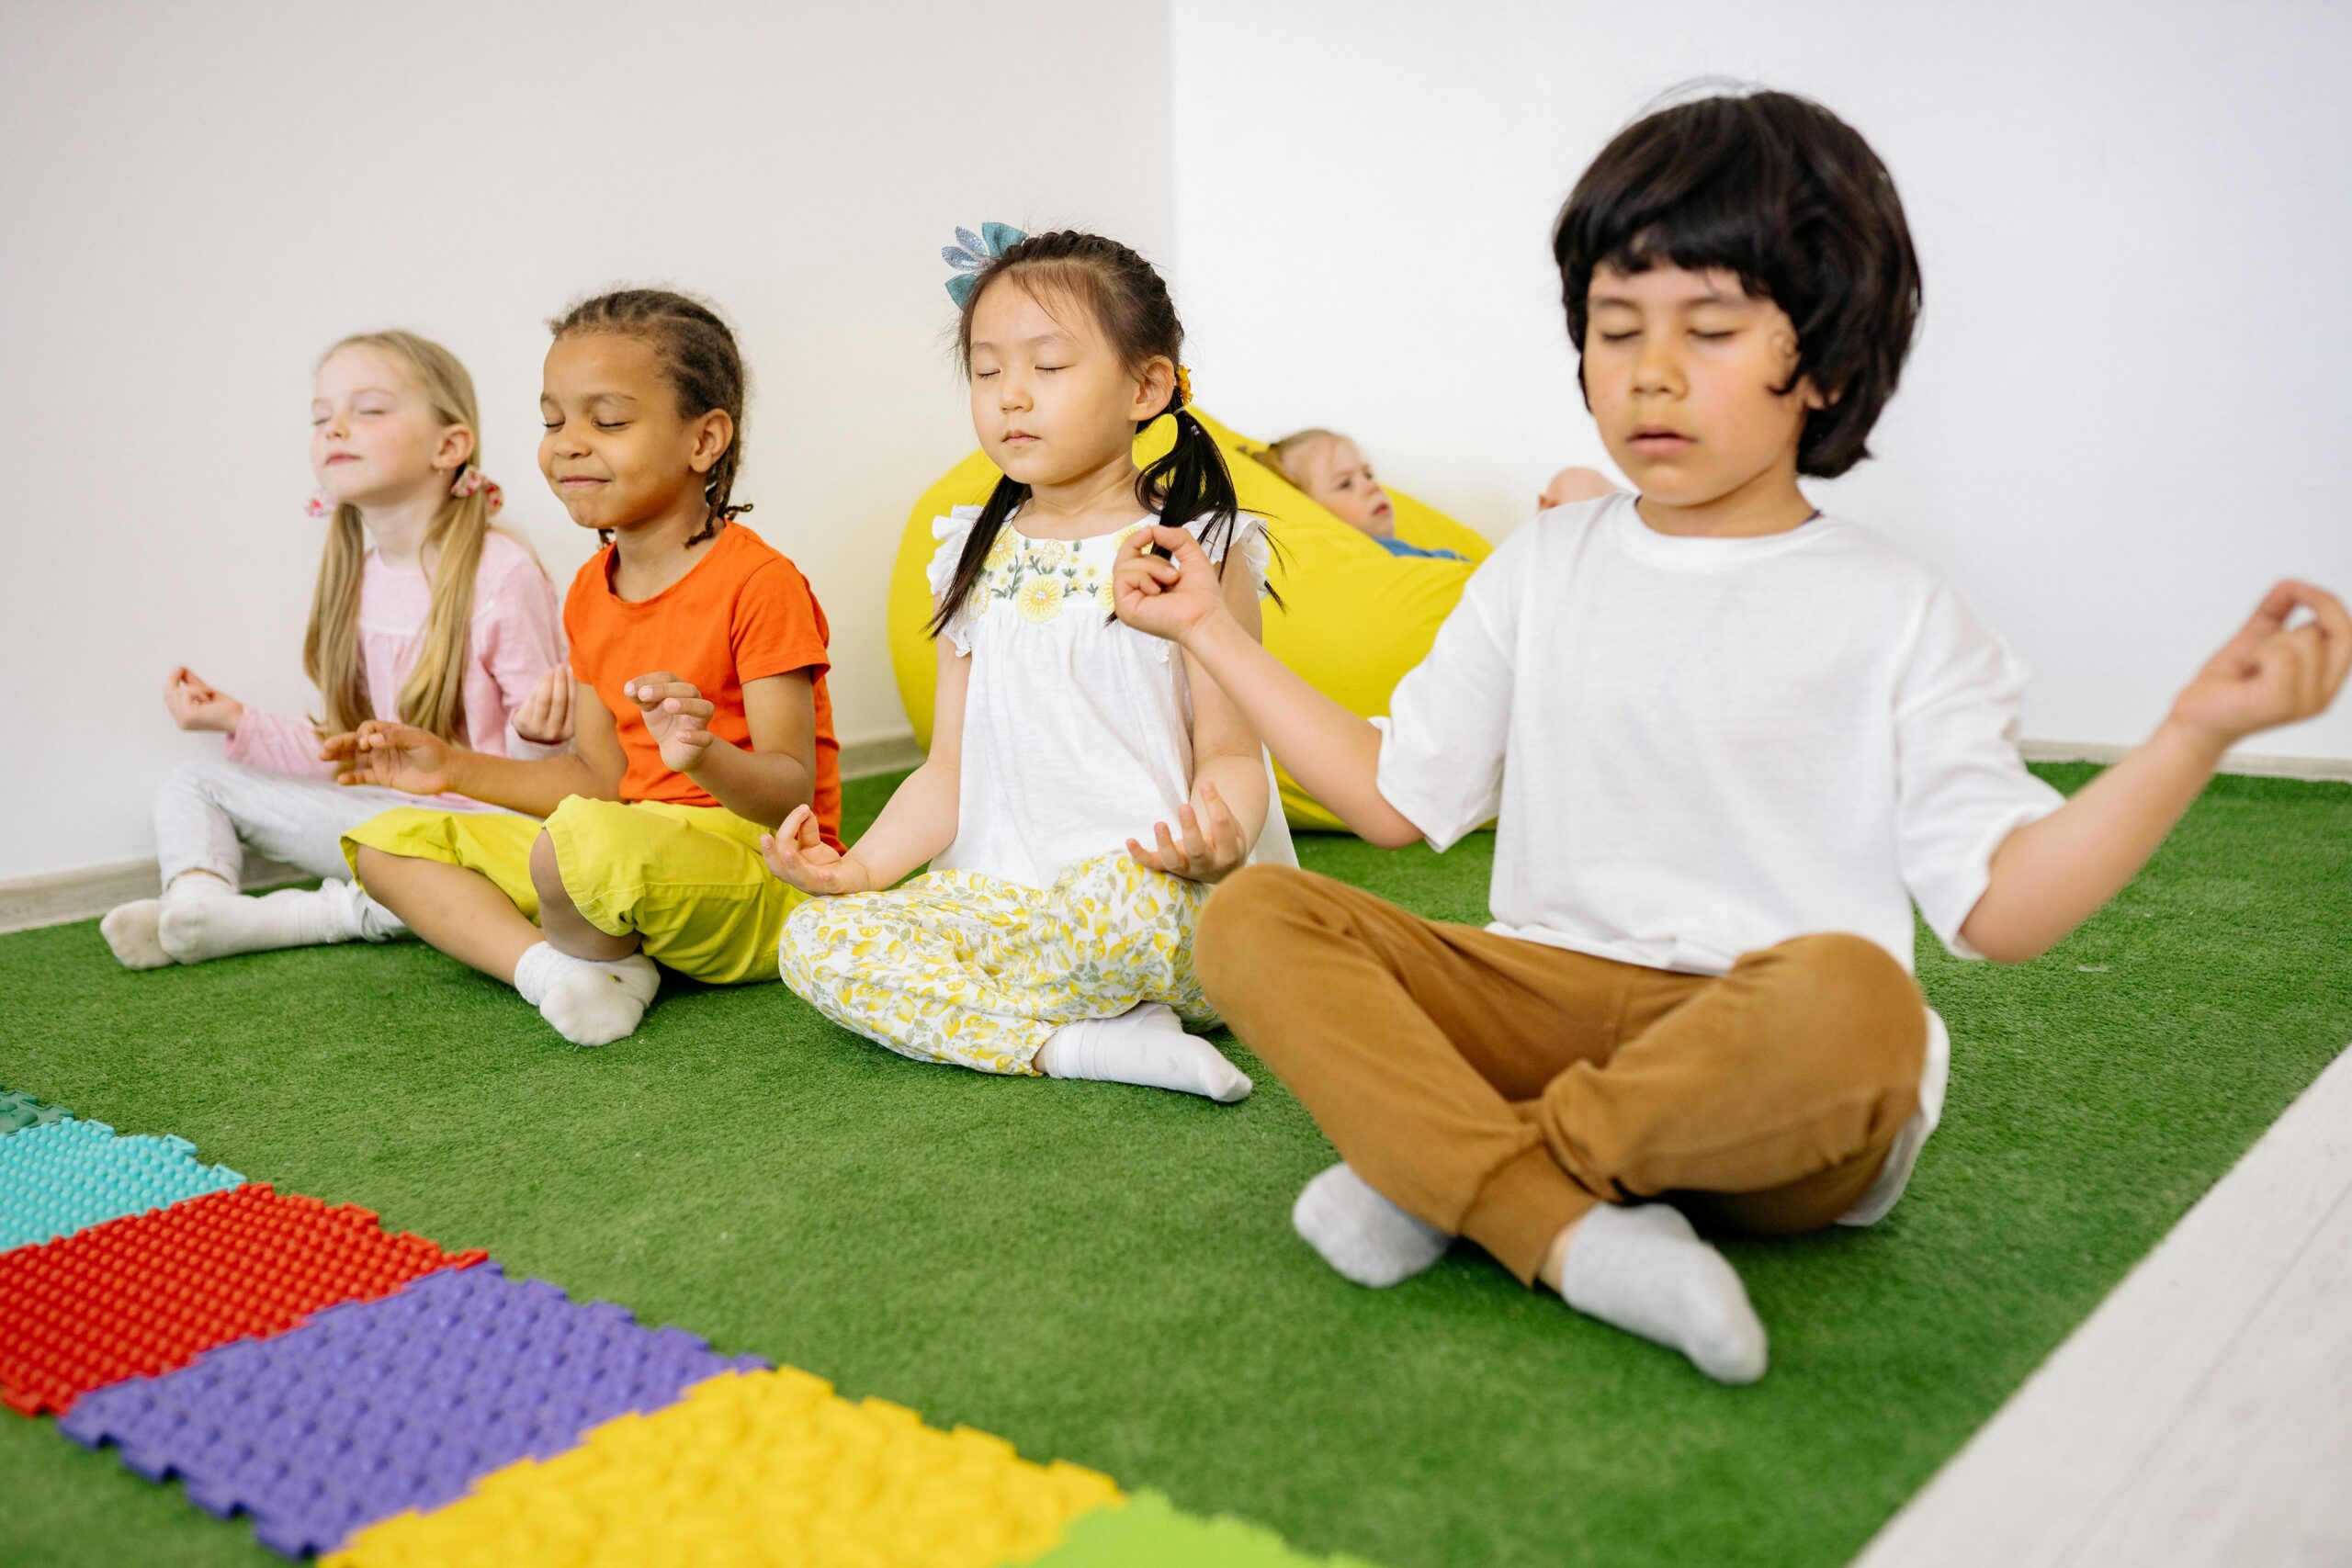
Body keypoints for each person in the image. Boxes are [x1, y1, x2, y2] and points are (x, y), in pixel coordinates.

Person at [1111, 90, 2349, 1382]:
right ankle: (1563, 1228)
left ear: (1821, 360)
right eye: (1614, 327)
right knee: (1258, 918)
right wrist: (1212, 630)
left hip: (1774, 1077)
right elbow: (1389, 801)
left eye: (1708, 329)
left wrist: (2194, 731)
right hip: (1552, 1001)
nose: (1650, 370)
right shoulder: (1543, 563)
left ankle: (1453, 1176)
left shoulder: (1900, 608)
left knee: (1862, 999)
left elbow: (2000, 911)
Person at [765, 228, 1292, 1102]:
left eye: (1048, 368)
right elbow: (948, 770)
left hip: (1154, 900)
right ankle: (1082, 1043)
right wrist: (857, 870)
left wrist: (1220, 836)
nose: (1011, 396)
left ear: (1146, 386)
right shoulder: (967, 553)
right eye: (985, 370)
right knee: (816, 943)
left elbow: (1232, 754)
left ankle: (1077, 1008)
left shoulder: (1197, 545)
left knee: (1124, 914)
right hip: (1005, 904)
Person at [335, 290, 840, 1047]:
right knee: (388, 842)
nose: (567, 443)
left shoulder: (759, 582)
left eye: (606, 421)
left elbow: (788, 796)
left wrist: (702, 753)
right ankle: (557, 973)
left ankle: (603, 959)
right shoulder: (586, 589)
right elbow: (600, 779)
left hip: (761, 871)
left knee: (578, 845)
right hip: (622, 848)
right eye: (552, 420)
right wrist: (451, 767)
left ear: (704, 440)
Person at [100, 331, 566, 971]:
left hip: (481, 830)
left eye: (369, 409)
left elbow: (554, 779)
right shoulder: (358, 574)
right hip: (389, 816)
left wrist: (537, 736)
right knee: (191, 781)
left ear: (449, 445)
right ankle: (201, 906)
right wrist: (237, 722)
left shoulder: (502, 573)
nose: (336, 428)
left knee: (413, 859)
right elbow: (352, 755)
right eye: (322, 417)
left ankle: (328, 913)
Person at [1255, 427, 1616, 558]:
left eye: (1368, 473)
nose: (1371, 485)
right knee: (1576, 484)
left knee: (1577, 486)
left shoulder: (1401, 552)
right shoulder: (1373, 563)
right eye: (1345, 483)